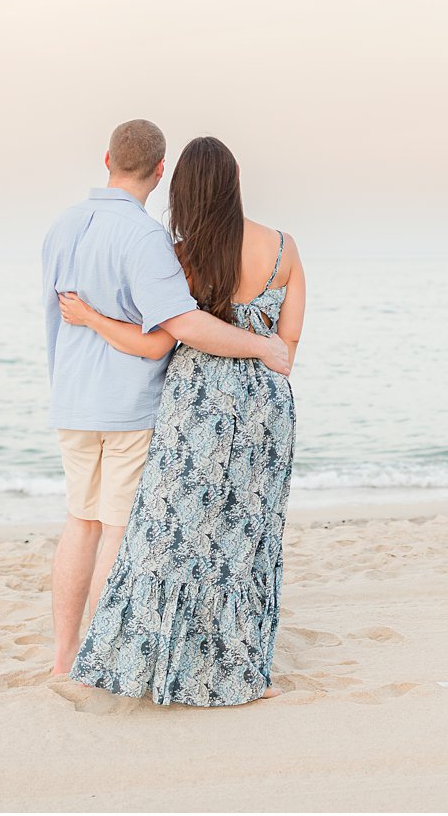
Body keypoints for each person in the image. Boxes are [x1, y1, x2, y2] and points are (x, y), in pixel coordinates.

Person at [61, 135, 304, 706]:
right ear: (236, 179)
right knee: (247, 538)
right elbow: (288, 343)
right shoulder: (285, 248)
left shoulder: (180, 255)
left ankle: (162, 664)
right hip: (265, 405)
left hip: (196, 403)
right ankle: (244, 673)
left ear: (184, 188)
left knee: (176, 537)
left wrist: (91, 317)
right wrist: (263, 349)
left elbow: (155, 344)